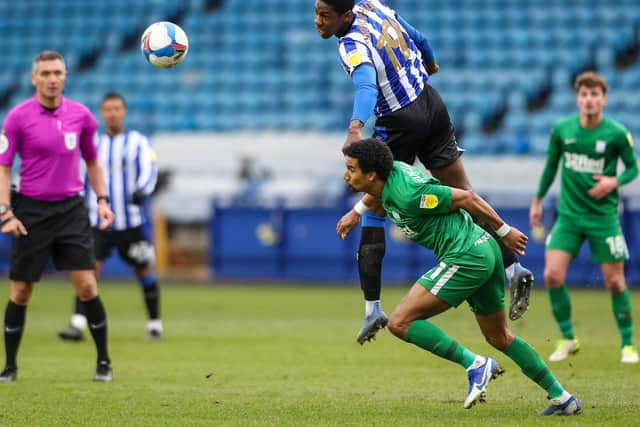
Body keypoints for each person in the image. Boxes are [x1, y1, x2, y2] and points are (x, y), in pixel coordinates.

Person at [315, 0, 534, 344]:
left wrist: (356, 127)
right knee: (461, 189)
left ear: (344, 16)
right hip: (431, 102)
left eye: (324, 15)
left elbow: (368, 86)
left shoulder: (351, 44)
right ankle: (513, 268)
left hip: (399, 118)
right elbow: (419, 36)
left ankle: (372, 307)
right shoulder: (373, 5)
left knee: (375, 201)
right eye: (316, 12)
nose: (317, 21)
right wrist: (430, 62)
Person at [338, 139, 581, 415]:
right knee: (500, 337)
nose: (346, 174)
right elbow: (376, 192)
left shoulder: (408, 194)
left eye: (351, 169)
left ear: (371, 173)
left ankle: (475, 364)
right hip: (483, 250)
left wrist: (505, 231)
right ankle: (563, 398)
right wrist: (355, 212)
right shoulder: (390, 173)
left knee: (400, 322)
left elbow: (467, 198)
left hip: (466, 256)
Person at [0, 50, 114, 382]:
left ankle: (103, 362)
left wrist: (103, 200)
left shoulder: (82, 116)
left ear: (65, 76)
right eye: (46, 73)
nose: (52, 79)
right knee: (20, 292)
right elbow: (4, 168)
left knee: (88, 286)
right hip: (31, 211)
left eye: (57, 73)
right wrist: (5, 211)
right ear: (33, 78)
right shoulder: (17, 118)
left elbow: (93, 162)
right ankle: (9, 366)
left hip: (70, 210)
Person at [529, 71, 639, 364]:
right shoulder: (563, 130)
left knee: (614, 282)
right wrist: (537, 200)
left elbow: (632, 169)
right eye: (584, 95)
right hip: (569, 216)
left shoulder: (616, 133)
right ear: (578, 99)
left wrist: (611, 182)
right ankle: (567, 337)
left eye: (594, 95)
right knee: (552, 275)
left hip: (603, 217)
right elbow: (551, 166)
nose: (589, 100)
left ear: (603, 99)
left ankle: (628, 344)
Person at [57, 92, 162, 342]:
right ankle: (78, 325)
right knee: (89, 270)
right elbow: (80, 176)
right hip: (98, 221)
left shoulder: (138, 141)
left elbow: (150, 167)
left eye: (116, 108)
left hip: (131, 221)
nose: (112, 113)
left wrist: (143, 189)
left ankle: (155, 324)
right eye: (107, 109)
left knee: (143, 270)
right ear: (102, 113)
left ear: (124, 111)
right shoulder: (94, 144)